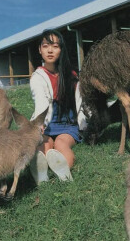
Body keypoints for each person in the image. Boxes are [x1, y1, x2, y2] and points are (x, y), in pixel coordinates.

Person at [29, 29, 87, 184]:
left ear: (61, 50)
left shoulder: (72, 75)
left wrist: (84, 123)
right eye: (46, 46)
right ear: (40, 49)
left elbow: (81, 102)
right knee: (45, 145)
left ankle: (64, 175)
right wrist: (39, 124)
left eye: (55, 46)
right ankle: (41, 174)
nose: (50, 50)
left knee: (61, 143)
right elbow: (41, 102)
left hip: (67, 123)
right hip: (47, 124)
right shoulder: (37, 77)